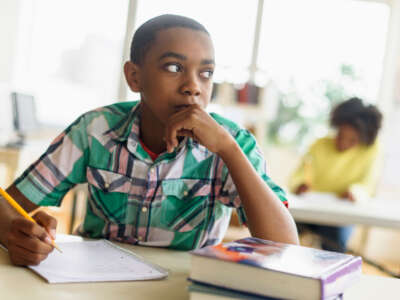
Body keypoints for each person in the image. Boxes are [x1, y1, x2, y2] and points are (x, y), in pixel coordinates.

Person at [0, 14, 298, 266]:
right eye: (173, 67)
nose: (193, 86)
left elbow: (285, 247)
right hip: (93, 285)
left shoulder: (232, 143)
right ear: (134, 77)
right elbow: (7, 204)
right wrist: (16, 230)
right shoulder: (95, 129)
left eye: (206, 73)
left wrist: (229, 151)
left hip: (184, 289)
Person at [288, 97, 383, 252]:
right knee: (282, 228)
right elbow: (298, 175)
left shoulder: (371, 150)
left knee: (334, 244)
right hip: (309, 211)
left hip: (339, 217)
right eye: (340, 136)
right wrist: (300, 184)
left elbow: (367, 184)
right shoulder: (319, 145)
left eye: (352, 141)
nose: (343, 144)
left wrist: (355, 192)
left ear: (364, 139)